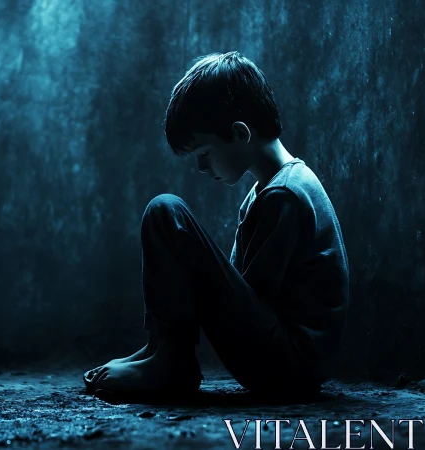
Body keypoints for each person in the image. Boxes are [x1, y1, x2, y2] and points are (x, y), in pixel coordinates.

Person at [83, 51, 349, 400]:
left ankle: (169, 360)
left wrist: (191, 274)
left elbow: (249, 297)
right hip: (283, 359)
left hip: (288, 365)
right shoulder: (265, 192)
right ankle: (159, 350)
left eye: (204, 153)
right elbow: (238, 293)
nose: (201, 168)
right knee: (169, 218)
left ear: (240, 134)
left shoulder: (284, 195)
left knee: (166, 212)